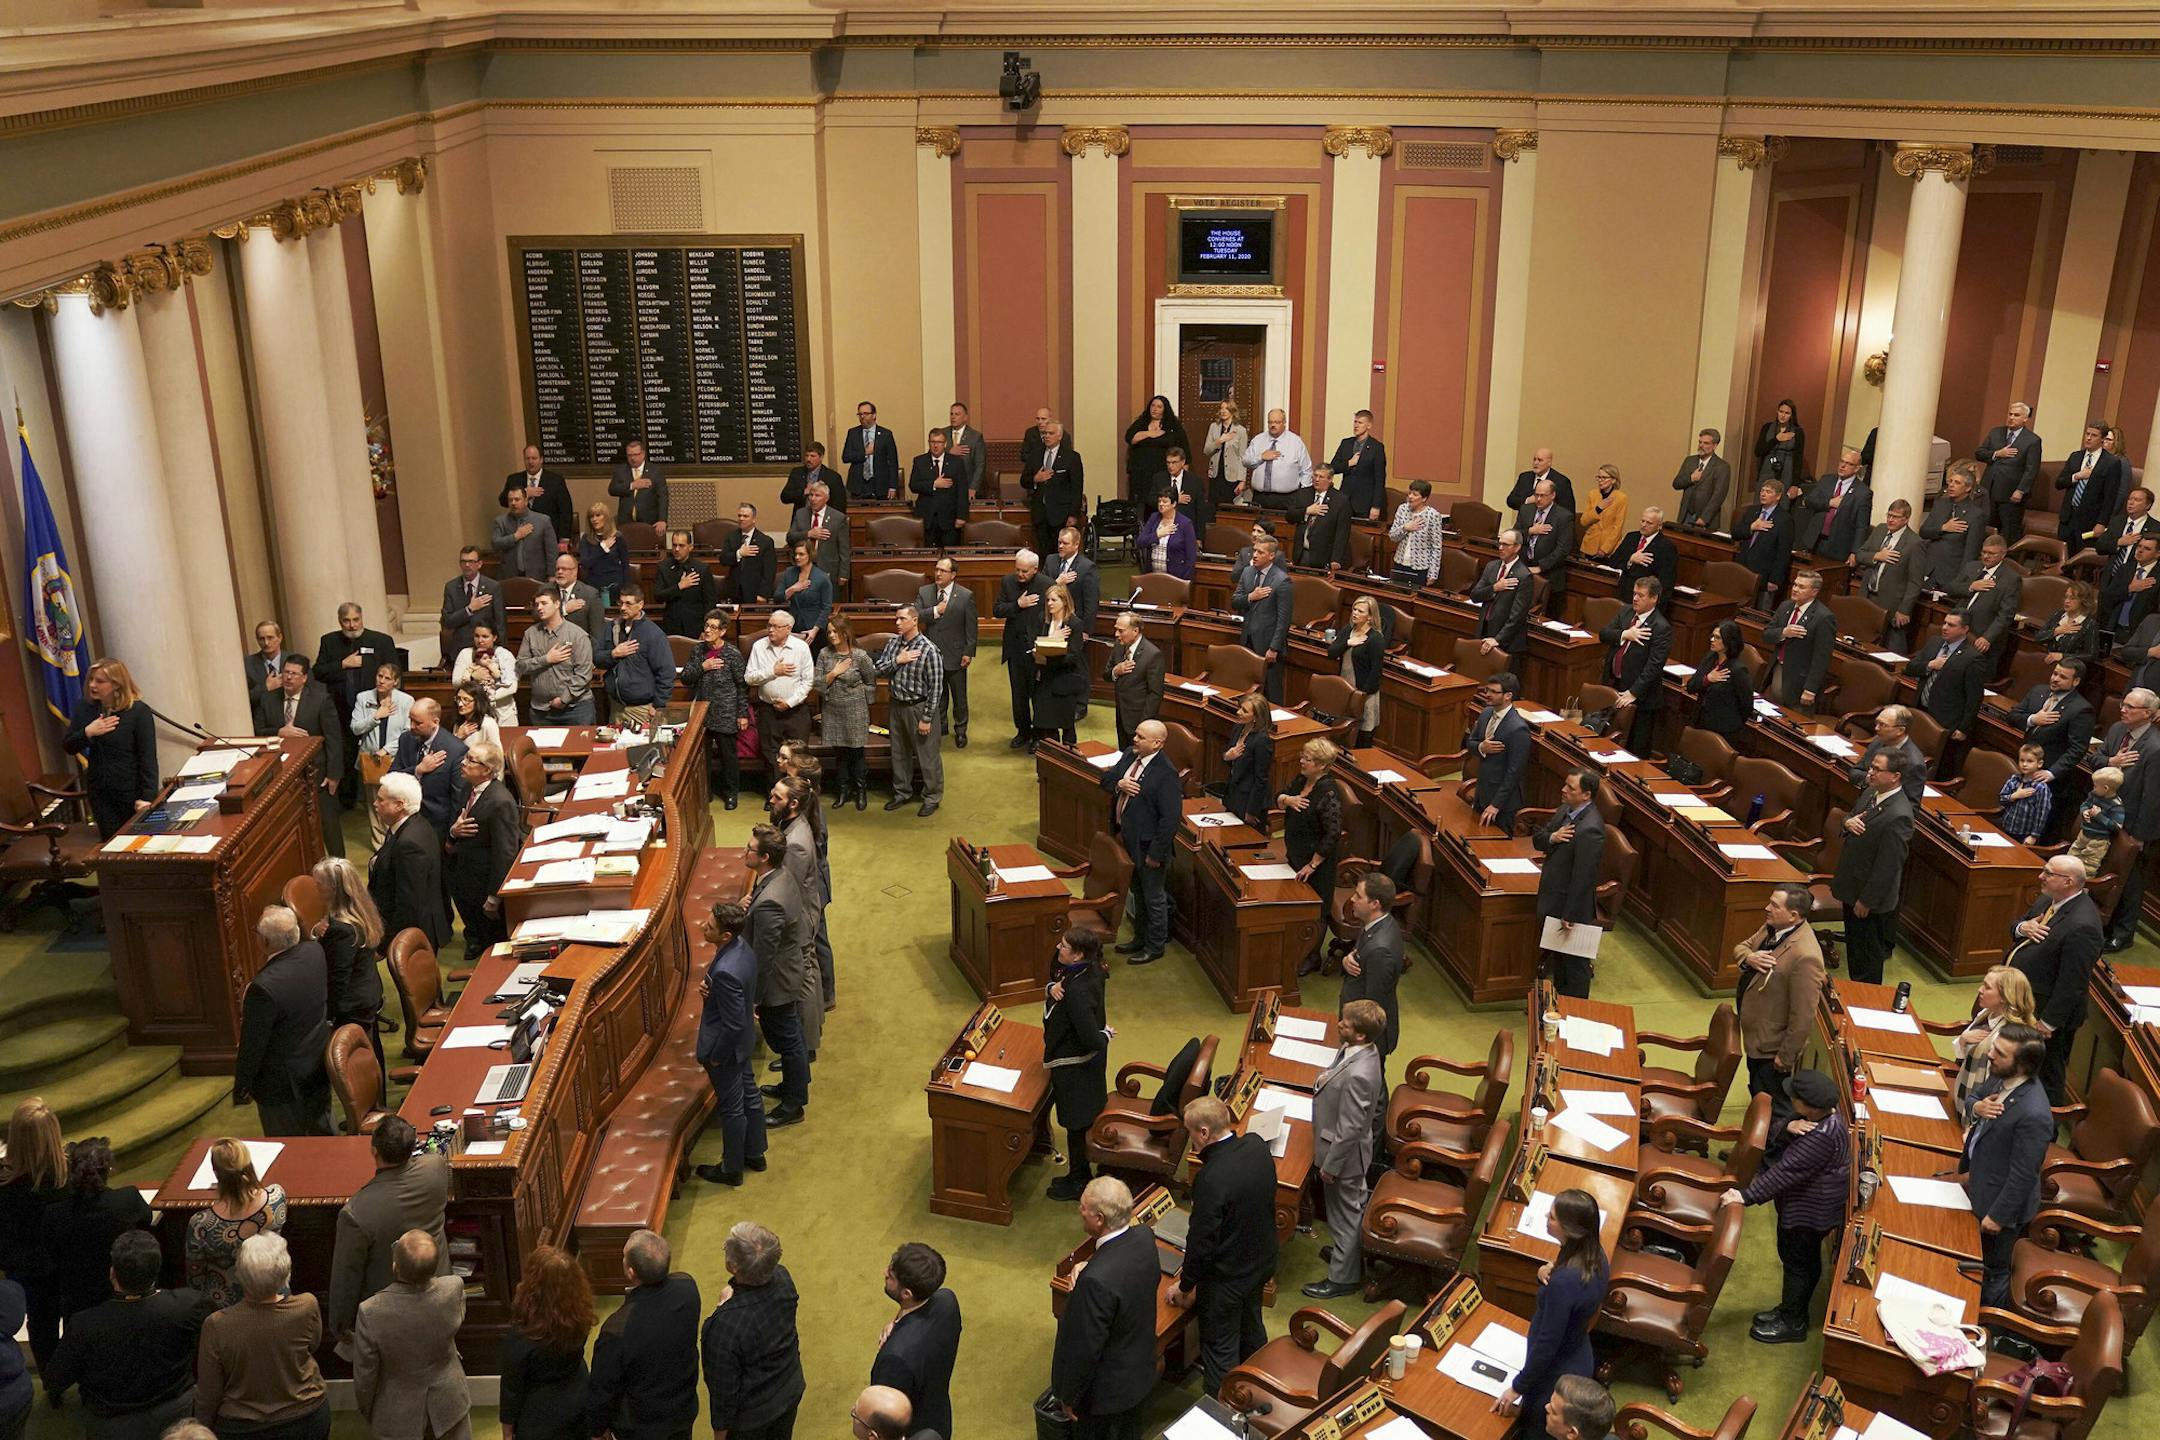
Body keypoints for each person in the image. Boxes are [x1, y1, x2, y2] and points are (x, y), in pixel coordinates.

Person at [1722, 1069, 1847, 1343]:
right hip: (1806, 1207)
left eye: (1795, 1098)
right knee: (1800, 1261)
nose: (1791, 1100)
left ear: (1809, 1107)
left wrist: (1745, 1196)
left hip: (1808, 1214)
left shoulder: (1821, 1137)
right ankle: (1790, 1309)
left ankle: (1793, 1322)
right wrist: (1788, 1126)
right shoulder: (1822, 1117)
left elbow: (1784, 1172)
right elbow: (1779, 1129)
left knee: (1797, 1264)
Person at [1168, 1097, 1277, 1394]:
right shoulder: (1256, 1146)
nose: (1190, 1141)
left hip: (1227, 1279)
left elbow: (1202, 1241)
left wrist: (1186, 1285)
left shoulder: (1211, 1178)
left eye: (1191, 1133)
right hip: (1260, 1262)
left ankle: (1224, 1413)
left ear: (1203, 1133)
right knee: (1251, 1327)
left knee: (1219, 1349)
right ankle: (1264, 1388)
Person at [1048, 1178, 1158, 1440]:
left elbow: (1084, 1348)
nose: (1079, 1210)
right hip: (1140, 1372)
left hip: (1107, 1396)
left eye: (1083, 1208)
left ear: (1099, 1219)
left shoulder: (1095, 1282)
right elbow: (1118, 1261)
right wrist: (1091, 1263)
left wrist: (1068, 1396)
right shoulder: (1144, 1236)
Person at [1493, 1189, 1607, 1437]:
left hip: (1552, 1373)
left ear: (1570, 1228)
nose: (1547, 1216)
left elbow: (1547, 1343)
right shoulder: (1596, 1255)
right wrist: (1548, 1271)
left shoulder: (1565, 1282)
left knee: (1535, 1431)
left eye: (1553, 1217)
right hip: (1578, 1354)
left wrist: (1517, 1387)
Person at [1955, 1024, 2053, 1309]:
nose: (1991, 1055)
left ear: (2022, 1065)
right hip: (1982, 1180)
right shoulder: (2002, 1077)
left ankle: (1987, 1318)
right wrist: (1978, 1108)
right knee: (1973, 1252)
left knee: (1993, 1267)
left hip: (2002, 1206)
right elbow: (1975, 1097)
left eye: (2000, 1053)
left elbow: (2024, 1175)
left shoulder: (2034, 1114)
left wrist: (1997, 1216)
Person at [193, 1234, 327, 1440]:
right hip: (306, 1416)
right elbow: (314, 1345)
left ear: (239, 1273)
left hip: (242, 1427)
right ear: (285, 1273)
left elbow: (209, 1393)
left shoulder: (216, 1324)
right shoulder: (307, 1305)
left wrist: (200, 1430)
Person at [327, 1117, 451, 1338]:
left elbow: (346, 1279)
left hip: (390, 1313)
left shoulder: (356, 1213)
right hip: (439, 1293)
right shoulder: (436, 1168)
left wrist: (340, 1326)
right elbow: (429, 1159)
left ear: (374, 1151)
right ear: (413, 1147)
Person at [1303, 1001, 1387, 1299]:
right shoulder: (1358, 1051)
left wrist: (1331, 1166)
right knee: (1341, 1211)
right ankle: (1345, 1257)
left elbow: (1350, 1128)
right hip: (1337, 1147)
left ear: (1361, 1035)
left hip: (1344, 1158)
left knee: (1346, 1215)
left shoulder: (1360, 1075)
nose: (1340, 1025)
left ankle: (1343, 1277)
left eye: (1346, 1024)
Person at [2007, 855, 2106, 1103]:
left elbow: (2073, 983)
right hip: (2024, 1003)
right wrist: (2023, 928)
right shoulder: (2048, 900)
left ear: (2068, 882)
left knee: (2047, 1074)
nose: (2041, 876)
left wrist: (2048, 1023)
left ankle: (2047, 1128)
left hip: (2046, 1015)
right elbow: (2017, 925)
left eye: (2048, 873)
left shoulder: (2084, 925)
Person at [353, 1231, 470, 1440]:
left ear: (394, 1266)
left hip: (398, 1411)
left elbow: (365, 1374)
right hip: (450, 1402)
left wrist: (368, 1409)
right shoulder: (453, 1288)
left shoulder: (371, 1311)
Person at [587, 1231, 700, 1440]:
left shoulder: (616, 1329)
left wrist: (597, 1429)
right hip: (682, 1408)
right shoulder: (688, 1288)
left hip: (643, 1426)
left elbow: (603, 1389)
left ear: (631, 1272)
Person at [698, 1223, 804, 1440]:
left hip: (752, 1420)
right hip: (789, 1388)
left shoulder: (724, 1327)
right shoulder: (784, 1278)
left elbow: (723, 1394)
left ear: (732, 1266)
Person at [232, 908, 332, 1137]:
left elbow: (253, 1045)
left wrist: (242, 1087)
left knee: (289, 1148)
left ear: (264, 941)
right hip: (317, 1064)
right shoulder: (315, 952)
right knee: (324, 1135)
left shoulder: (262, 988)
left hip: (282, 1085)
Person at [691, 899, 766, 1187]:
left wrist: (717, 1057)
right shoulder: (742, 949)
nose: (703, 928)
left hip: (727, 1049)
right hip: (743, 1040)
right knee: (750, 1096)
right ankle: (755, 1153)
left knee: (732, 1108)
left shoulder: (725, 971)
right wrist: (712, 996)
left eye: (709, 927)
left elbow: (731, 1024)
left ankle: (732, 1167)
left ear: (726, 935)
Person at [743, 827, 813, 1126]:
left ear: (765, 857)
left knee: (787, 1041)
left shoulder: (770, 901)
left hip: (777, 981)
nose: (744, 852)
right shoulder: (779, 876)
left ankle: (793, 1105)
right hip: (789, 967)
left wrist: (754, 998)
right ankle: (791, 1086)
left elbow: (763, 955)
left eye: (749, 849)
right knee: (791, 1036)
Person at [41, 1138, 151, 1323]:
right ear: (108, 1169)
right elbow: (146, 1221)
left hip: (77, 1308)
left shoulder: (54, 1214)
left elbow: (52, 1254)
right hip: (123, 1303)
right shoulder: (128, 1199)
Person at [1733, 887, 1825, 1109]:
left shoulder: (1806, 956)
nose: (1767, 908)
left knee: (1774, 1105)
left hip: (1772, 1045)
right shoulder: (1773, 927)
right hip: (1756, 1036)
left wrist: (1786, 1056)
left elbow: (1803, 1015)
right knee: (1757, 1090)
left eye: (1774, 905)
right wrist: (1749, 959)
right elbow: (1742, 946)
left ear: (1793, 915)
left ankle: (1767, 1143)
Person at [1042, 927, 1112, 1203]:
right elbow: (1053, 972)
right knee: (1078, 1121)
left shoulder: (1078, 991)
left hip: (1075, 1067)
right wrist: (1051, 988)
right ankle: (1078, 1174)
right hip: (1086, 1064)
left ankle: (1079, 1179)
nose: (1058, 949)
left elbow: (1090, 1038)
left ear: (1079, 954)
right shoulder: (1091, 968)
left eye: (1064, 947)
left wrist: (1104, 1036)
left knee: (1076, 1123)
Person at [1834, 752, 1915, 984]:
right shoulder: (1871, 793)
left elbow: (1888, 866)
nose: (1870, 772)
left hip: (1869, 901)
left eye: (1877, 769)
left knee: (1867, 960)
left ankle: (1866, 1001)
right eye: (1871, 767)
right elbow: (1851, 816)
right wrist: (1846, 823)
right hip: (1853, 886)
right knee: (1855, 951)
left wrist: (1867, 900)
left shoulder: (1899, 815)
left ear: (1895, 776)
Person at [1101, 722, 1179, 964]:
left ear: (1157, 743)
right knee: (1137, 891)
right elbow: (1105, 780)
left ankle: (1155, 946)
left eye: (1141, 737)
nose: (1134, 739)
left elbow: (1170, 819)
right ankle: (1139, 937)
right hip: (1127, 840)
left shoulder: (1166, 774)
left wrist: (1156, 853)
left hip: (1148, 848)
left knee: (1153, 897)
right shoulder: (1130, 755)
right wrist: (1120, 783)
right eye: (1135, 734)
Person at [0, 1099, 66, 1372]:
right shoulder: (66, 1178)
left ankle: (52, 1382)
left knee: (40, 1323)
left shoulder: (4, 1183)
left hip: (24, 1269)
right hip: (62, 1264)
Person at [501, 1245, 593, 1440]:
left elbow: (511, 1389)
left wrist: (507, 1434)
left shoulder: (522, 1335)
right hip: (580, 1401)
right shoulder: (581, 1315)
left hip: (539, 1417)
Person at [184, 1139, 287, 1310]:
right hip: (274, 1292)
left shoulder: (201, 1225)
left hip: (226, 1305)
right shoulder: (277, 1197)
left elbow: (196, 1277)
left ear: (216, 1174)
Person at [870, 1244, 959, 1440]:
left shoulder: (894, 1359)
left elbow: (885, 1417)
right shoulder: (948, 1301)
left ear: (907, 1294)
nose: (884, 1272)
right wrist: (896, 1322)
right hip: (939, 1420)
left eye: (891, 1276)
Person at [63, 658, 157, 839]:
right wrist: (88, 732)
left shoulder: (138, 712)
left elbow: (148, 758)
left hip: (132, 792)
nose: (92, 685)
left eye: (99, 681)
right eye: (91, 679)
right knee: (111, 845)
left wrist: (148, 796)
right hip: (100, 794)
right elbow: (68, 746)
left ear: (116, 684)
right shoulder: (85, 708)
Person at [1534, 768, 1606, 997]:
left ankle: (1575, 1013)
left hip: (1571, 908)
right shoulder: (1566, 811)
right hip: (1555, 898)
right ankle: (1558, 1006)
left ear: (1586, 795)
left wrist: (1570, 914)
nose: (1563, 790)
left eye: (1570, 788)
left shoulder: (1591, 829)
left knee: (1575, 965)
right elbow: (1539, 838)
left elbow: (1584, 877)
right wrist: (1552, 837)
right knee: (1559, 959)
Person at [312, 857, 387, 1073]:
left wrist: (328, 1017)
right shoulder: (361, 910)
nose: (315, 889)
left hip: (352, 1005)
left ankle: (372, 1104)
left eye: (319, 884)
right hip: (368, 993)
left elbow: (338, 979)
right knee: (373, 1052)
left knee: (361, 1066)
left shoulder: (341, 930)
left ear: (333, 888)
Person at [445, 740, 520, 954]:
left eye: (471, 760)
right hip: (464, 873)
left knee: (493, 940)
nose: (463, 763)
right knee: (475, 922)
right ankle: (474, 939)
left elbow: (505, 852)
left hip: (484, 881)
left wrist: (494, 896)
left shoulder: (500, 801)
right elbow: (458, 824)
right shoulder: (467, 788)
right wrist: (453, 832)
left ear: (486, 770)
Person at [314, 606, 396, 798]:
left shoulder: (381, 641)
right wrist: (343, 664)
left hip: (375, 708)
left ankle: (381, 794)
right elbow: (317, 672)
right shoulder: (329, 641)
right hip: (340, 709)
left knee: (376, 751)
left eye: (355, 619)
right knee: (345, 752)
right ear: (339, 620)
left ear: (362, 618)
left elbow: (395, 673)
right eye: (346, 621)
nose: (352, 625)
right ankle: (348, 798)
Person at [266, 656, 345, 858]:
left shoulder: (320, 699)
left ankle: (339, 867)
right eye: (286, 672)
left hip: (317, 772)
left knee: (328, 825)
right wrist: (279, 731)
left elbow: (333, 738)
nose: (288, 677)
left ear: (304, 678)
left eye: (294, 674)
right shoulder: (269, 699)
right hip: (282, 772)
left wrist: (334, 774)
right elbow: (258, 730)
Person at [2101, 687, 2160, 949]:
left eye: (2130, 707)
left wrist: (2139, 836)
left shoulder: (2155, 748)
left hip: (2133, 825)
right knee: (2108, 874)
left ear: (2148, 714)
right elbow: (2095, 758)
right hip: (2105, 816)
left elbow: (2153, 797)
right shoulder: (2116, 730)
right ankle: (2104, 924)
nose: (2122, 709)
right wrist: (2112, 761)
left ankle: (2123, 935)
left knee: (2131, 882)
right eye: (2123, 704)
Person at [875, 606, 946, 818]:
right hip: (897, 705)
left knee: (927, 756)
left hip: (919, 707)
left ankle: (932, 797)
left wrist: (926, 718)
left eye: (902, 619)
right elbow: (878, 669)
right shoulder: (893, 644)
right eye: (896, 619)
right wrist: (898, 660)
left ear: (914, 621)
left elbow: (936, 688)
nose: (897, 623)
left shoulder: (929, 650)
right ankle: (902, 792)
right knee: (899, 753)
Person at [1281, 738, 1345, 971]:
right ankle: (1296, 948)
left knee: (1315, 911)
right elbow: (1280, 796)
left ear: (1321, 765)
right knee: (1296, 904)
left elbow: (1333, 833)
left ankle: (1311, 956)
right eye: (1303, 756)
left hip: (1316, 865)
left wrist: (1314, 864)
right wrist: (1287, 800)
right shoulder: (1302, 780)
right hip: (1294, 854)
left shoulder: (1328, 793)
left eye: (1307, 759)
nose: (1301, 761)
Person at [367, 773, 447, 950]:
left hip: (413, 934)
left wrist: (387, 944)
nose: (375, 804)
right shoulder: (416, 824)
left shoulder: (409, 844)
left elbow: (409, 903)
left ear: (399, 805)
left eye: (381, 800)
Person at [1953, 967, 2039, 1124]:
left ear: (2005, 997)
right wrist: (1963, 1039)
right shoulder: (1986, 1013)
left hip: (1978, 1115)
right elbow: (1960, 1056)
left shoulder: (2008, 1035)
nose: (1980, 990)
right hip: (1962, 1099)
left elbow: (1996, 1088)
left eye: (1987, 987)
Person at [808, 614, 873, 811]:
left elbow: (870, 681)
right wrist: (834, 672)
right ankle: (843, 790)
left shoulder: (860, 656)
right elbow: (817, 684)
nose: (831, 635)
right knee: (840, 754)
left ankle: (861, 791)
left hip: (855, 710)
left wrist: (864, 700)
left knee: (857, 752)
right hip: (833, 709)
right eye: (829, 632)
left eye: (835, 631)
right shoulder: (824, 654)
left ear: (845, 633)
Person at [1600, 577, 1670, 753]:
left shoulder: (1661, 627)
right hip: (1615, 685)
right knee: (1610, 742)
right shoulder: (1626, 612)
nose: (1635, 599)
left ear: (1654, 598)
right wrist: (1625, 634)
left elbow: (1654, 665)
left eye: (1641, 595)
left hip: (1641, 698)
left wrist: (1634, 692)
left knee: (1634, 749)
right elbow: (1604, 634)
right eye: (1634, 594)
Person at [689, 610, 749, 809]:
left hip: (726, 712)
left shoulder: (732, 654)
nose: (707, 630)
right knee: (702, 757)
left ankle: (731, 794)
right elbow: (686, 678)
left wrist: (741, 714)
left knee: (728, 757)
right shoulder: (698, 651)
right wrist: (702, 667)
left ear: (722, 631)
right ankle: (705, 793)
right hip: (702, 714)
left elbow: (742, 685)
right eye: (706, 626)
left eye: (713, 627)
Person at [994, 550, 1053, 749]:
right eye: (1017, 570)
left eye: (1025, 571)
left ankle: (1039, 735)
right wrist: (1017, 604)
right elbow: (997, 610)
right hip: (1015, 647)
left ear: (1035, 569)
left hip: (1038, 650)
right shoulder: (1007, 582)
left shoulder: (1047, 585)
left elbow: (1053, 615)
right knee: (1018, 695)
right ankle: (1023, 731)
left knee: (1038, 695)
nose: (1020, 574)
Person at [746, 611, 815, 778]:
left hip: (796, 712)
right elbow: (749, 678)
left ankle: (797, 793)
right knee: (770, 754)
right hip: (768, 710)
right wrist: (773, 671)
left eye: (775, 626)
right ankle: (775, 793)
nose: (770, 630)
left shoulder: (801, 647)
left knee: (798, 755)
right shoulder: (759, 646)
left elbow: (808, 681)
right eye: (769, 625)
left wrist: (790, 703)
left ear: (788, 628)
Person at [1341, 874, 1404, 1058]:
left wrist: (1356, 1039)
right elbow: (1360, 952)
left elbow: (1373, 1005)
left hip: (1368, 1038)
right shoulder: (1377, 923)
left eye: (1358, 896)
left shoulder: (1380, 951)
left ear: (1374, 904)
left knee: (1373, 1083)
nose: (1352, 899)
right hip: (1357, 1027)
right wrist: (1347, 959)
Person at [2009, 661, 2095, 793]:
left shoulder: (2081, 709)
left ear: (2076, 681)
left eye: (2063, 677)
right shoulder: (2038, 691)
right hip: (2023, 766)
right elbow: (2012, 717)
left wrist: (2052, 772)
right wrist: (2033, 719)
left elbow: (2077, 749)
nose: (2055, 679)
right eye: (2055, 674)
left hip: (2049, 780)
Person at [917, 558, 978, 747]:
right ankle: (940, 726)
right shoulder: (924, 592)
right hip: (932, 655)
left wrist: (968, 652)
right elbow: (916, 614)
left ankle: (961, 730)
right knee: (937, 693)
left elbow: (971, 628)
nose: (938, 573)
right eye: (936, 569)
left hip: (956, 654)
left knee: (959, 696)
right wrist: (936, 610)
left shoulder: (966, 596)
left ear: (953, 575)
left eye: (943, 571)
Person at [597, 587, 676, 731]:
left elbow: (666, 672)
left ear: (640, 605)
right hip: (616, 707)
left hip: (642, 710)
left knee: (643, 751)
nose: (622, 608)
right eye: (620, 603)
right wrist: (613, 654)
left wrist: (658, 705)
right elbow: (597, 658)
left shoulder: (653, 634)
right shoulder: (610, 628)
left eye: (628, 603)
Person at [516, 589, 596, 725]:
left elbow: (583, 674)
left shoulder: (577, 635)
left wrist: (563, 699)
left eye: (544, 603)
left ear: (557, 604)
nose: (539, 608)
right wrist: (546, 659)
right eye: (537, 604)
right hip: (541, 711)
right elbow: (521, 666)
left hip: (575, 709)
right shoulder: (530, 634)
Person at [1906, 611, 1988, 743]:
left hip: (1944, 721)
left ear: (1964, 629)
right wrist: (1930, 665)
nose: (1944, 627)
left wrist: (1963, 728)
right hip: (1919, 710)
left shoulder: (1973, 658)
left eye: (1951, 625)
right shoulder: (1934, 642)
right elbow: (1910, 668)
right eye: (1944, 623)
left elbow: (1974, 698)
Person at [1853, 498, 1926, 648]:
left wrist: (1904, 610)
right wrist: (1876, 556)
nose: (1890, 520)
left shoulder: (1914, 543)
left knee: (1888, 646)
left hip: (1891, 602)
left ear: (1905, 520)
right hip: (1867, 595)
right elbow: (1860, 554)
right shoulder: (1879, 530)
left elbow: (1915, 582)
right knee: (1862, 641)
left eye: (1895, 517)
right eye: (1889, 515)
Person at [389, 696, 466, 837]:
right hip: (404, 821)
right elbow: (392, 777)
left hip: (436, 827)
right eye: (410, 719)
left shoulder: (455, 750)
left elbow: (458, 799)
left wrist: (451, 836)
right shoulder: (406, 739)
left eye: (418, 723)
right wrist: (418, 770)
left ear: (435, 722)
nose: (411, 726)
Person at [1760, 570, 1835, 711]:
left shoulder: (1823, 617)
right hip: (1778, 667)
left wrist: (1810, 689)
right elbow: (1766, 634)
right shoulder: (1785, 606)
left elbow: (1822, 657)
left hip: (1800, 680)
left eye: (1801, 587)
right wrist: (1783, 632)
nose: (1795, 589)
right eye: (1795, 585)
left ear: (1814, 592)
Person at [1233, 534, 1294, 702]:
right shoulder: (1247, 572)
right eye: (1254, 550)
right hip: (1247, 641)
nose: (1254, 555)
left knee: (1271, 692)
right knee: (1248, 691)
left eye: (1260, 552)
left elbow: (1284, 620)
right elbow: (1235, 601)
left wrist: (1274, 648)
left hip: (1268, 646)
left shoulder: (1282, 581)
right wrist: (1251, 596)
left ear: (1271, 556)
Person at [1469, 673, 1532, 831]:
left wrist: (1495, 805)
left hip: (1502, 804)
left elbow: (1514, 772)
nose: (1487, 695)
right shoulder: (1486, 713)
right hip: (1481, 793)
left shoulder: (1518, 729)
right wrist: (1481, 748)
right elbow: (1470, 743)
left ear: (1508, 696)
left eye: (1493, 692)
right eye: (1487, 690)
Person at [1031, 583, 1089, 748]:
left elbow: (1073, 655)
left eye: (1054, 600)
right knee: (1048, 722)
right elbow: (1034, 643)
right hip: (1045, 679)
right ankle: (1052, 756)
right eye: (1048, 599)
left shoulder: (1074, 624)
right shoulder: (1043, 620)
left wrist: (1047, 658)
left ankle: (1070, 756)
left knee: (1066, 724)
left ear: (1064, 601)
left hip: (1064, 680)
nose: (1049, 603)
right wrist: (1052, 640)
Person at [1976, 400, 2043, 542]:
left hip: (2011, 494)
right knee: (1985, 528)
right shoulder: (1996, 432)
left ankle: (2008, 561)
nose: (2011, 417)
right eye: (2010, 414)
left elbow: (2031, 469)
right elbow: (1979, 453)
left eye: (2016, 415)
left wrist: (2020, 490)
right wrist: (1996, 454)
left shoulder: (2032, 440)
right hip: (1989, 489)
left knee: (2008, 532)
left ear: (2025, 418)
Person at [1947, 536, 2025, 653]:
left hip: (1981, 636)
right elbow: (1951, 589)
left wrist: (1988, 637)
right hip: (1957, 630)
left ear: (2003, 555)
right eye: (1984, 552)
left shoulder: (2011, 579)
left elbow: (2006, 614)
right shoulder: (1971, 566)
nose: (1986, 556)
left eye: (1991, 553)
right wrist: (1970, 586)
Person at [1920, 462, 1990, 590]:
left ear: (1968, 488)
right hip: (1927, 568)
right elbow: (1923, 532)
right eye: (1951, 481)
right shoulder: (1941, 504)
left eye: (1957, 483)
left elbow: (1970, 553)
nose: (1951, 485)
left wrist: (1960, 581)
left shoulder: (1976, 515)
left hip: (1950, 573)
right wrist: (1942, 528)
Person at [2056, 420, 2126, 546]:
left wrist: (2102, 523)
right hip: (2068, 517)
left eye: (2094, 435)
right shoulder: (2075, 456)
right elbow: (2059, 483)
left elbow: (2110, 497)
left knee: (2081, 558)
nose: (2088, 438)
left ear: (2103, 439)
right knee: (2061, 554)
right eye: (2087, 434)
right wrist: (2077, 476)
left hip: (2089, 520)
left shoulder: (2111, 463)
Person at [1799, 447, 1872, 561]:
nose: (1842, 466)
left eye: (1848, 464)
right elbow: (1809, 501)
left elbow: (1861, 526)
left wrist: (1854, 552)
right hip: (1814, 540)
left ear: (1857, 468)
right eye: (1842, 461)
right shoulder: (1827, 479)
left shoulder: (1863, 493)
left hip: (1838, 546)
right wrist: (1829, 502)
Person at [1329, 596, 1386, 743]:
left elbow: (1376, 671)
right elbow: (1331, 653)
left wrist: (1362, 695)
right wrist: (1348, 642)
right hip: (1345, 689)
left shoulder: (1375, 639)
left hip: (1365, 693)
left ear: (1370, 617)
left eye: (1360, 611)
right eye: (1354, 609)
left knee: (1362, 733)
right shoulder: (1348, 630)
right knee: (1343, 730)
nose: (1355, 613)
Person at [1469, 528, 1534, 656]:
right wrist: (1494, 588)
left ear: (1517, 547)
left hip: (1506, 641)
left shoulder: (1524, 576)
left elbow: (1517, 616)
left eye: (1505, 544)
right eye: (1500, 543)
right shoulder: (1492, 566)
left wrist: (1497, 639)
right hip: (1484, 630)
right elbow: (1475, 595)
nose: (1500, 547)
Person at [1685, 620, 1753, 739]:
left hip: (1723, 730)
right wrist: (1707, 679)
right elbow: (1691, 686)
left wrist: (1732, 725)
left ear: (1729, 642)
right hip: (1699, 722)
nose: (1712, 640)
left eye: (1717, 637)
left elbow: (1746, 705)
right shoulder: (1710, 657)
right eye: (1712, 636)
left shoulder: (1738, 670)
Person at [1517, 477, 1576, 612]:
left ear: (1553, 495)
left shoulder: (1564, 516)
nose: (1538, 499)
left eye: (1542, 496)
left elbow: (1563, 549)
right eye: (1536, 495)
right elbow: (1514, 535)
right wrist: (1530, 531)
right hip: (1524, 569)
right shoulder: (1526, 510)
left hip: (1549, 574)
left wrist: (1541, 567)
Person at [1107, 613, 1164, 751]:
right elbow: (1106, 674)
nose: (1116, 634)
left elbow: (1155, 694)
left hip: (1139, 719)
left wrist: (1143, 725)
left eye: (1121, 630)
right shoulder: (1119, 646)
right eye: (1116, 629)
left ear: (1135, 631)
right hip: (1121, 714)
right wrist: (1116, 671)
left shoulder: (1153, 654)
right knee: (1124, 754)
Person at [501, 444, 578, 546]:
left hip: (548, 534)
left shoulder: (555, 480)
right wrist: (523, 493)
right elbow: (502, 500)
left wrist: (564, 537)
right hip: (520, 535)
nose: (530, 462)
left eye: (534, 458)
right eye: (527, 458)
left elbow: (565, 510)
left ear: (541, 459)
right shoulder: (514, 479)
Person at [1849, 705, 1926, 805]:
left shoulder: (1914, 763)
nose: (1876, 728)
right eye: (1877, 723)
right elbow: (1854, 772)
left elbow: (1911, 806)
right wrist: (1871, 779)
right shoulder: (1877, 742)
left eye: (1883, 725)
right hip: (1862, 805)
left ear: (1900, 730)